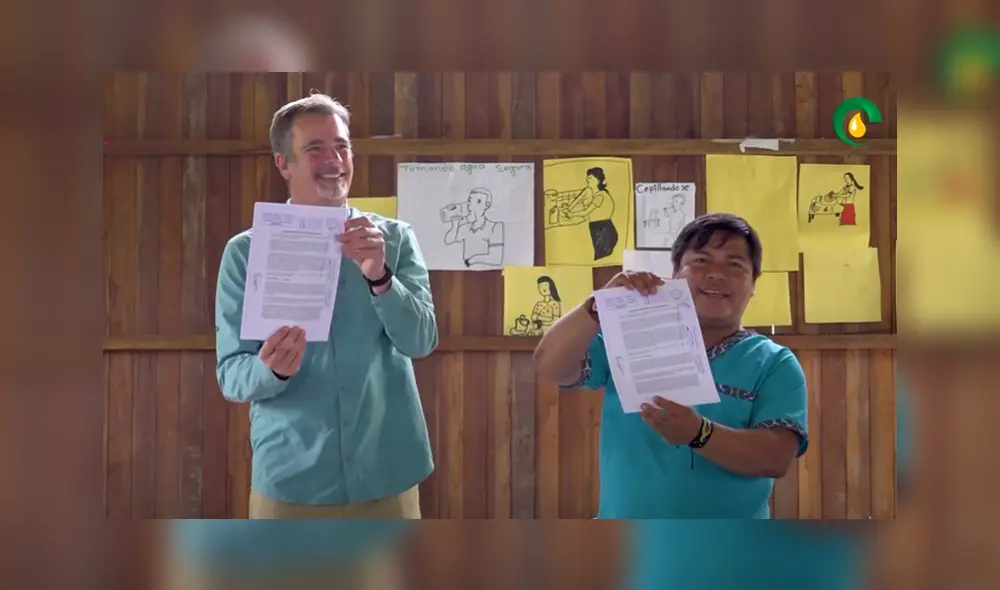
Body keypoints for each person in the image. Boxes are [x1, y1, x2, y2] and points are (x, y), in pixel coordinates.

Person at [214, 92, 438, 523]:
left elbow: (422, 341)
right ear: (284, 163)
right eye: (314, 149)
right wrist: (271, 370)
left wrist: (380, 277)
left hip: (388, 470)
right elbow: (232, 375)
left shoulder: (394, 239)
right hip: (293, 476)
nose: (334, 159)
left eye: (341, 146)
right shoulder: (245, 253)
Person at [533, 212, 808, 518]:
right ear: (675, 273)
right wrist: (597, 307)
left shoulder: (774, 363)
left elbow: (777, 457)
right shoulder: (628, 335)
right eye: (701, 260)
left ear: (753, 284)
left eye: (735, 264)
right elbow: (550, 366)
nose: (716, 273)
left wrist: (699, 433)